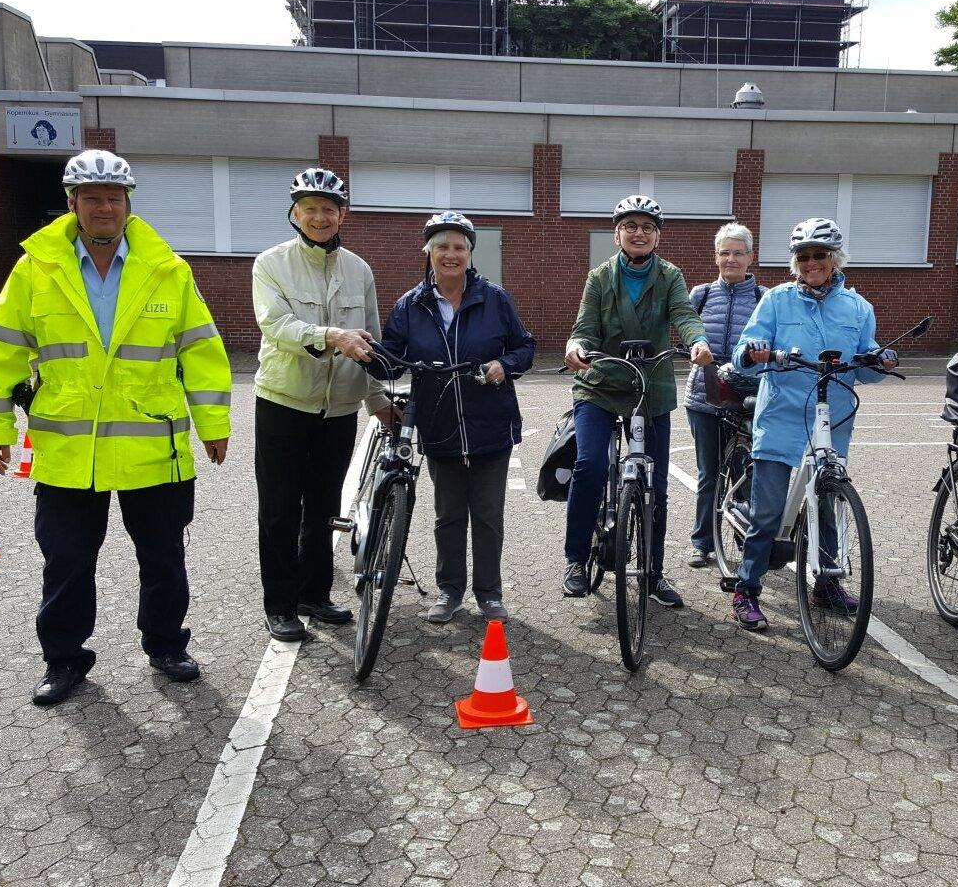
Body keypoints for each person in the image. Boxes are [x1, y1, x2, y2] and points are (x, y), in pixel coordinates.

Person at [0, 149, 232, 705]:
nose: (104, 208)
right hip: (71, 447)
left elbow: (202, 350)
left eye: (113, 198)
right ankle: (64, 658)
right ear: (72, 203)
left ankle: (166, 644)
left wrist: (214, 422)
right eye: (91, 198)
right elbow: (3, 351)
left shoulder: (168, 270)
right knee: (66, 561)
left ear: (127, 203)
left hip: (153, 445)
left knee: (163, 558)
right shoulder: (36, 269)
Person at [728, 218, 894, 632]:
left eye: (820, 255)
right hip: (782, 413)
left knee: (828, 501)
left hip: (833, 415)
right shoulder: (776, 301)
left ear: (835, 259)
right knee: (768, 511)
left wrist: (880, 360)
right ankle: (746, 589)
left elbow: (866, 365)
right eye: (804, 256)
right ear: (795, 263)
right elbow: (743, 354)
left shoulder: (858, 307)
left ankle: (827, 584)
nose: (812, 262)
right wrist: (755, 351)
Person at [375, 211, 536, 623]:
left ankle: (489, 594)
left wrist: (503, 365)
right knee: (448, 516)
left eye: (459, 247)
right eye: (442, 246)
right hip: (440, 426)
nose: (451, 254)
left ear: (470, 253)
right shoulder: (410, 305)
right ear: (428, 252)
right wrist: (365, 354)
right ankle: (449, 591)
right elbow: (390, 359)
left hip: (491, 426)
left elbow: (525, 348)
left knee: (487, 516)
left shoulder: (494, 298)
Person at [253, 168, 389, 643]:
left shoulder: (359, 270)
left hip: (339, 410)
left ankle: (314, 594)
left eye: (328, 209)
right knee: (279, 510)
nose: (319, 217)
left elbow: (371, 341)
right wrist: (331, 336)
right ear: (295, 213)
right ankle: (280, 605)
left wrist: (377, 399)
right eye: (309, 208)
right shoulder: (270, 263)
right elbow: (276, 326)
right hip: (284, 403)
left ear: (342, 215)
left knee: (324, 507)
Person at [562, 195, 712, 605]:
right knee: (590, 465)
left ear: (657, 236)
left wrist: (697, 340)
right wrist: (576, 346)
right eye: (630, 226)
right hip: (600, 385)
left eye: (647, 227)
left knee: (655, 484)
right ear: (617, 234)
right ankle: (575, 560)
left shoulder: (670, 275)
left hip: (650, 387)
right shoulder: (599, 277)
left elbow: (683, 314)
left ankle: (653, 573)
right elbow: (584, 327)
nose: (639, 233)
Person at [684, 223, 764, 568]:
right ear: (716, 257)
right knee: (709, 473)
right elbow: (685, 332)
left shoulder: (764, 299)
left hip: (747, 399)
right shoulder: (700, 295)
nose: (731, 259)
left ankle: (744, 541)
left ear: (750, 257)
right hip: (704, 396)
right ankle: (702, 542)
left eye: (738, 253)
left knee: (745, 472)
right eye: (724, 253)